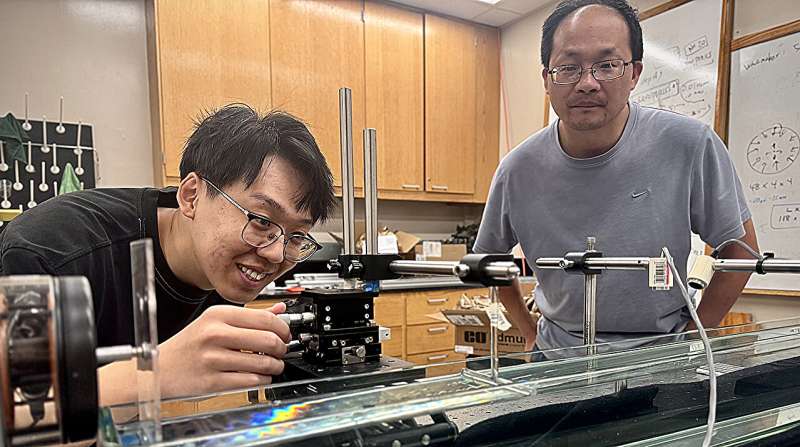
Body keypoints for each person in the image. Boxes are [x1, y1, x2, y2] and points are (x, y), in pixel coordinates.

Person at [474, 0, 758, 356]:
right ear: (547, 79)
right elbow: (489, 261)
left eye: (607, 65)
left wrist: (694, 333)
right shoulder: (517, 169)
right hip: (555, 359)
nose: (587, 83)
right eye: (568, 67)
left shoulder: (688, 144)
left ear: (634, 73)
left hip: (659, 359)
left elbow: (741, 251)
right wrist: (529, 333)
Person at [0, 104, 336, 403]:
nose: (276, 254)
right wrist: (154, 373)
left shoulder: (226, 260)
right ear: (191, 196)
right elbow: (17, 417)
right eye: (262, 220)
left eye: (296, 236)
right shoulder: (50, 253)